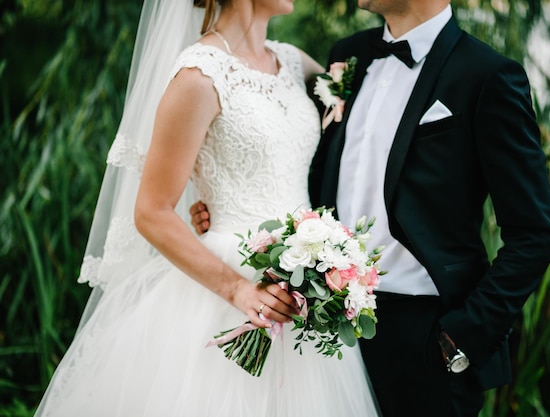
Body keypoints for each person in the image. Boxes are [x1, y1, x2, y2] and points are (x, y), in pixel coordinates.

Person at [192, 0, 550, 416]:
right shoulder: (346, 57)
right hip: (323, 328)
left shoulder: (486, 75)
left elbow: (534, 234)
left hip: (424, 339)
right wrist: (224, 206)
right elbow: (285, 154)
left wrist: (460, 336)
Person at [33, 1, 380, 416]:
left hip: (303, 286)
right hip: (226, 288)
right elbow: (152, 211)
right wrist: (238, 289)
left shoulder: (293, 62)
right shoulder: (198, 77)